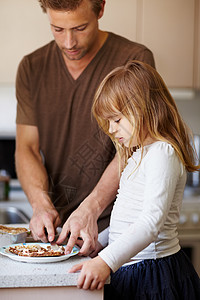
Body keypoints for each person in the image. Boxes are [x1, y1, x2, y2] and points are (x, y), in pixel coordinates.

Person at [15, 0, 155, 255]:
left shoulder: (135, 59)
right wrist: (40, 204)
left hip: (121, 228)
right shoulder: (31, 68)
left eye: (80, 28)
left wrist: (91, 207)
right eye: (57, 29)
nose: (69, 43)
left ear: (100, 9)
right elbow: (26, 148)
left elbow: (136, 144)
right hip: (63, 231)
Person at [69, 60, 200, 299]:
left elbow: (150, 223)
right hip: (132, 267)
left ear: (144, 108)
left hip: (153, 273)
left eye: (116, 120)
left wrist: (106, 261)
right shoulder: (140, 153)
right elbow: (127, 217)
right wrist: (102, 243)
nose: (111, 129)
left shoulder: (163, 153)